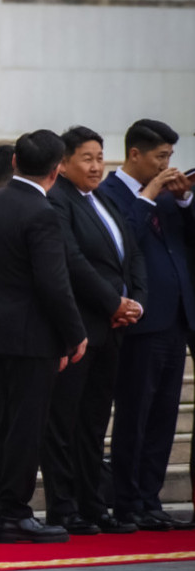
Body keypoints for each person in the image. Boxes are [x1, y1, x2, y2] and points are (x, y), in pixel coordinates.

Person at [0, 130, 87, 543]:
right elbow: (53, 284)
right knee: (25, 427)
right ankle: (13, 514)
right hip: (30, 338)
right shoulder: (44, 212)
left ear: (15, 159)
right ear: (57, 170)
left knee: (1, 424)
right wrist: (74, 334)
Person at [42, 127, 145, 535]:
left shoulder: (102, 199)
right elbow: (73, 260)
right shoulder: (58, 201)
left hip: (113, 328)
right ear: (63, 163)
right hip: (80, 328)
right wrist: (111, 302)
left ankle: (92, 504)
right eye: (87, 158)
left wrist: (134, 302)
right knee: (65, 422)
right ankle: (64, 508)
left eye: (100, 157)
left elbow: (131, 254)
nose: (97, 166)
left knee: (95, 422)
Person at [99, 119, 195, 531]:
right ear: (135, 154)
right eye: (160, 157)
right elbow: (122, 242)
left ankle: (150, 499)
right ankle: (127, 501)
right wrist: (150, 195)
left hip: (176, 318)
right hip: (138, 322)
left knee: (164, 415)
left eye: (170, 157)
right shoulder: (108, 194)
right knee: (135, 414)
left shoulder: (172, 195)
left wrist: (186, 201)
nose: (166, 164)